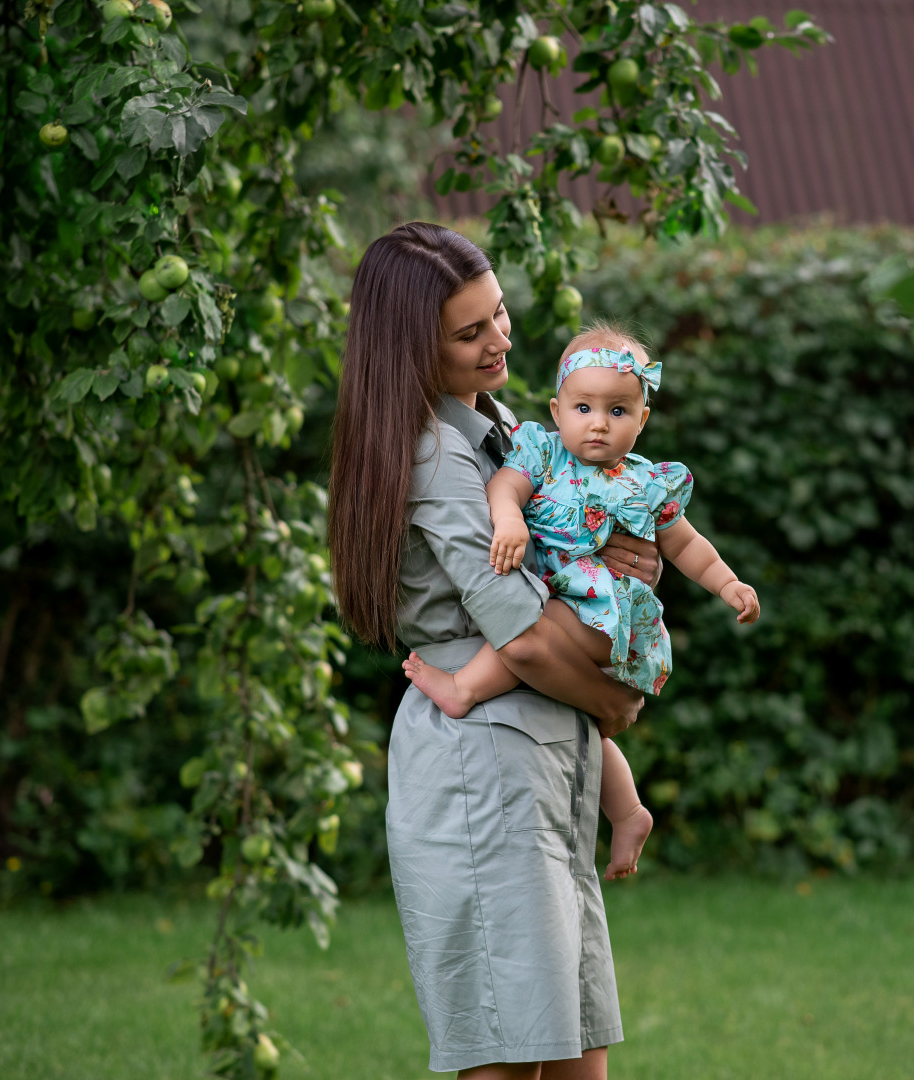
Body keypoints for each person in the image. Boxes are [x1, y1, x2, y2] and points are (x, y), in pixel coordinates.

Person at [327, 222, 654, 1079]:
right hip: (485, 775)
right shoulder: (437, 457)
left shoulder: (503, 426)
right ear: (412, 350)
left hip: (542, 760)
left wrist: (629, 560)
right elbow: (523, 634)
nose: (499, 339)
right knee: (510, 1055)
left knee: (577, 1048)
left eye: (498, 313)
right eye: (469, 333)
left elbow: (570, 560)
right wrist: (610, 701)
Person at [404, 324, 761, 880]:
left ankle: (464, 688)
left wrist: (728, 584)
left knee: (527, 621)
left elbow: (687, 544)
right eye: (584, 408)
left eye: (618, 411)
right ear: (558, 410)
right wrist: (509, 520)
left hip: (605, 617)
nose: (598, 423)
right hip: (582, 611)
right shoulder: (542, 453)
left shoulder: (646, 483)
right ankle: (628, 811)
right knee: (582, 714)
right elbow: (504, 489)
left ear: (642, 419)